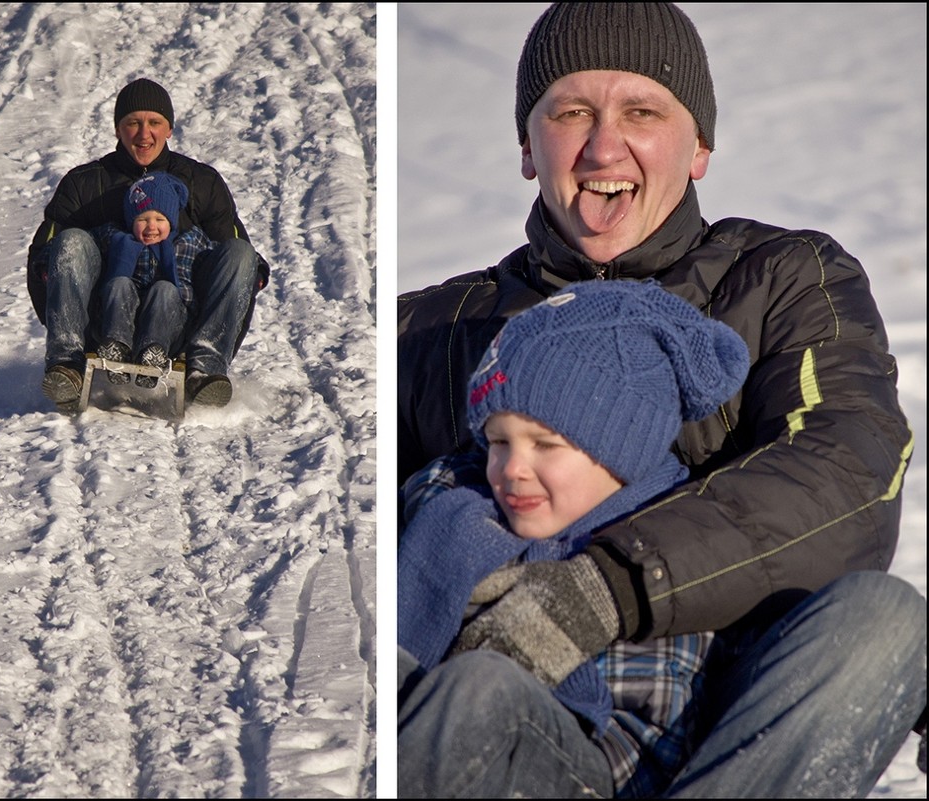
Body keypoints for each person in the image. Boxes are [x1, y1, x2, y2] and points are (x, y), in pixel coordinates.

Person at [396, 3, 926, 797]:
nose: (604, 146)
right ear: (525, 145)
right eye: (570, 111)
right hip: (539, 744)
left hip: (736, 722)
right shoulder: (433, 332)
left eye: (643, 111)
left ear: (701, 144)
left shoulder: (784, 280)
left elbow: (847, 471)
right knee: (470, 695)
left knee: (885, 621)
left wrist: (603, 590)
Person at [399, 279, 751, 797]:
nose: (513, 468)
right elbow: (443, 479)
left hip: (596, 772)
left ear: (622, 449)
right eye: (498, 442)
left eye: (545, 444)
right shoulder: (459, 517)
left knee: (483, 684)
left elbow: (644, 752)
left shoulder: (657, 548)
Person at [27, 77, 268, 410]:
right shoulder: (84, 184)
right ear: (117, 129)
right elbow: (43, 256)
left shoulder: (201, 182)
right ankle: (68, 366)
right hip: (104, 321)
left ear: (169, 128)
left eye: (154, 123)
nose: (144, 134)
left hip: (179, 319)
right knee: (68, 243)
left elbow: (238, 268)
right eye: (132, 123)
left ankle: (204, 369)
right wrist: (51, 282)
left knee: (244, 255)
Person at [91, 171, 214, 389]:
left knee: (165, 288)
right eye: (142, 219)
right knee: (119, 283)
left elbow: (221, 256)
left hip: (171, 326)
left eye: (160, 219)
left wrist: (255, 266)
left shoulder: (190, 240)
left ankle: (152, 354)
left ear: (172, 220)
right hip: (119, 319)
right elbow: (80, 241)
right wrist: (47, 258)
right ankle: (116, 350)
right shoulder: (115, 237)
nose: (151, 227)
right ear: (131, 221)